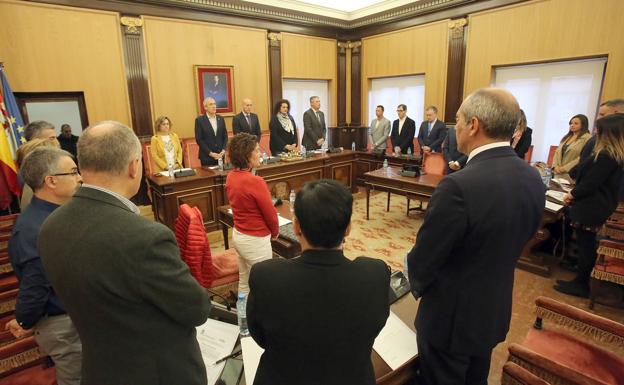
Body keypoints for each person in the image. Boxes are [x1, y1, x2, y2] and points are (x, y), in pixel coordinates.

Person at [38, 121, 212, 385]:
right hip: (157, 373)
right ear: (134, 166)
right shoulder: (146, 237)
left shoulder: (50, 226)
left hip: (98, 367)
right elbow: (196, 309)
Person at [407, 88, 544, 385]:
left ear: (473, 125)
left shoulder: (457, 186)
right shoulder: (532, 177)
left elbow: (425, 259)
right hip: (493, 310)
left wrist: (411, 283)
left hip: (451, 320)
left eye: (457, 119)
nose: (454, 127)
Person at [247, 179, 390, 385]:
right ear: (348, 228)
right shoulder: (375, 273)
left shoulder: (266, 276)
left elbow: (259, 336)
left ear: (296, 227)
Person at [7, 147, 83, 385]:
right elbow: (36, 285)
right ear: (51, 181)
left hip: (75, 314)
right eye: (72, 172)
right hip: (63, 324)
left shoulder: (56, 214)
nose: (79, 177)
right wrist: (23, 320)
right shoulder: (35, 230)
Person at [555, 113, 624, 298]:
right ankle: (580, 279)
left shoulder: (607, 156)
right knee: (586, 244)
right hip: (597, 205)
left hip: (592, 206)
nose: (595, 133)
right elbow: (579, 170)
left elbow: (590, 183)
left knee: (586, 246)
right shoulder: (609, 154)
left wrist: (572, 194)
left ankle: (581, 284)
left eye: (599, 130)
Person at [225, 133, 278, 295]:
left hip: (239, 235)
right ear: (246, 156)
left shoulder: (231, 176)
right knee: (265, 286)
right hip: (255, 241)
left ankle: (243, 317)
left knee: (244, 281)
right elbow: (270, 215)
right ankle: (261, 319)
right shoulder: (256, 181)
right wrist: (275, 232)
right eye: (256, 150)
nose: (260, 153)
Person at [551, 114, 591, 182]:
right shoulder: (567, 137)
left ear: (583, 125)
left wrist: (564, 168)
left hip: (571, 174)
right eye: (571, 123)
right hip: (557, 173)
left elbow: (582, 157)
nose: (572, 125)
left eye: (576, 123)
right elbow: (557, 152)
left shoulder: (588, 138)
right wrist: (555, 167)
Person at [195, 97, 228, 166]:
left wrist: (223, 150)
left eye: (215, 104)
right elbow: (199, 140)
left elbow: (225, 136)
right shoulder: (200, 120)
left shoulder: (221, 119)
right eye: (211, 104)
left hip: (220, 156)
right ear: (205, 107)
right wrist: (210, 153)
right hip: (207, 157)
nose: (214, 106)